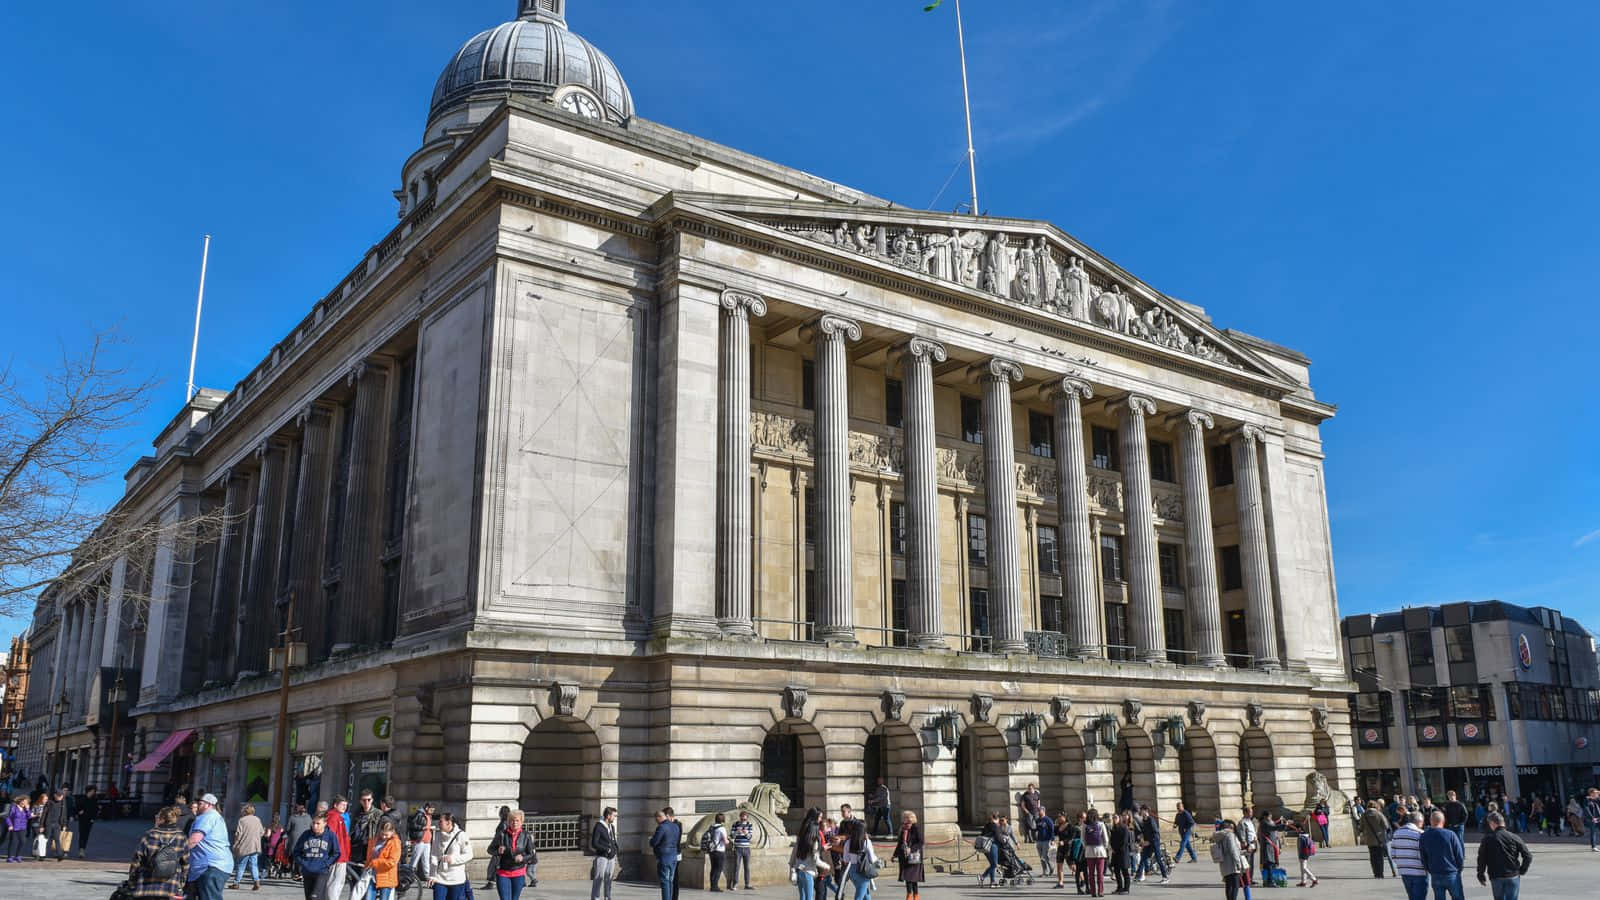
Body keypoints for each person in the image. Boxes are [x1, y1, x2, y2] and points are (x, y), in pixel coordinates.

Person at [128, 805, 190, 900]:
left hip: (147, 885)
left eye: (157, 816)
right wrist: (181, 884)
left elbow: (137, 860)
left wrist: (132, 882)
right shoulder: (181, 836)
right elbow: (185, 864)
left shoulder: (150, 834)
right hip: (170, 886)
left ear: (162, 819)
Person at [185, 793, 236, 900]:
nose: (197, 805)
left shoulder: (207, 817)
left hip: (210, 866)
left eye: (200, 803)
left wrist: (177, 852)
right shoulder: (213, 817)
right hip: (212, 866)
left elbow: (194, 840)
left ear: (209, 805)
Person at [1474, 812, 1530, 900]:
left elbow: (1482, 858)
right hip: (1512, 874)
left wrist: (1481, 874)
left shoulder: (1487, 839)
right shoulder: (1514, 837)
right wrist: (1522, 870)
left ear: (1492, 823)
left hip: (1496, 875)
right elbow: (1528, 855)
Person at [291, 812, 342, 900]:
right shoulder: (306, 835)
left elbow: (336, 852)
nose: (315, 826)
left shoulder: (330, 835)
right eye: (313, 823)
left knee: (315, 897)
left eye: (318, 823)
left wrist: (326, 864)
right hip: (307, 872)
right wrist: (303, 863)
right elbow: (296, 852)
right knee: (310, 898)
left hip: (321, 872)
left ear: (325, 824)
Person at [1418, 810, 1466, 900]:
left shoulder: (1424, 836)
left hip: (1435, 873)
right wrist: (1459, 869)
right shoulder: (1450, 834)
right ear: (1443, 821)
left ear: (1431, 821)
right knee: (1458, 897)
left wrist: (1429, 869)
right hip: (1451, 872)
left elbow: (1423, 857)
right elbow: (1459, 855)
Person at [489, 809, 535, 900]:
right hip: (503, 872)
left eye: (517, 820)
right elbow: (490, 849)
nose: (514, 823)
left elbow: (531, 854)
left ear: (521, 822)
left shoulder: (526, 836)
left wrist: (523, 857)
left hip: (518, 872)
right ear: (508, 822)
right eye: (512, 820)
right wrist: (498, 851)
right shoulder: (502, 834)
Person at [428, 811, 473, 900]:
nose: (438, 823)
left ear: (449, 823)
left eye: (441, 821)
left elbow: (469, 855)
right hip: (440, 878)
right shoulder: (437, 835)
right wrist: (432, 875)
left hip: (456, 879)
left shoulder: (461, 835)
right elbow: (434, 855)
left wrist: (452, 859)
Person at [837, 816, 878, 900]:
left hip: (852, 870)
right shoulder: (866, 842)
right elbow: (872, 858)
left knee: (865, 893)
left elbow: (845, 860)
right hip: (863, 870)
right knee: (859, 895)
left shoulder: (848, 842)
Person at [1390, 812, 1429, 900]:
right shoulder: (1420, 834)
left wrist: (1402, 863)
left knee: (1411, 897)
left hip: (1404, 871)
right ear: (1419, 821)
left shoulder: (1397, 833)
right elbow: (1424, 854)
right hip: (1419, 872)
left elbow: (1393, 853)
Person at [789, 808, 824, 900]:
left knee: (803, 896)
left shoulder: (803, 831)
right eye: (820, 817)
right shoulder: (813, 836)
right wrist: (827, 866)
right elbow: (815, 856)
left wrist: (792, 866)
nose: (820, 820)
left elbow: (795, 851)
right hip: (807, 870)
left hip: (799, 868)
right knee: (809, 897)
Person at [230, 802, 265, 890]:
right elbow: (262, 832)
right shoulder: (257, 819)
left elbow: (238, 834)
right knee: (254, 864)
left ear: (245, 811)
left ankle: (236, 883)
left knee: (241, 864)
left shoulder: (242, 820)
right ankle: (256, 881)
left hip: (245, 846)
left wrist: (235, 845)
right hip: (255, 846)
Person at [651, 808, 684, 900]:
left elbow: (654, 842)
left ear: (659, 817)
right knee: (670, 881)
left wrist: (651, 840)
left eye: (656, 819)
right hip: (674, 856)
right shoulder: (676, 826)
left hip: (665, 857)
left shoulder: (662, 827)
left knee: (665, 881)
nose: (656, 822)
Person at [365, 818, 402, 900]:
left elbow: (392, 862)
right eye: (382, 834)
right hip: (372, 875)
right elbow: (369, 855)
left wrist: (375, 862)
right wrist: (367, 865)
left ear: (392, 832)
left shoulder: (395, 842)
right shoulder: (375, 840)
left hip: (386, 876)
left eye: (386, 835)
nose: (384, 837)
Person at [326, 796, 353, 900]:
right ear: (335, 805)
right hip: (338, 856)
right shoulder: (334, 817)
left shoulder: (338, 817)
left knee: (335, 883)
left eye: (346, 805)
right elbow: (331, 836)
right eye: (342, 805)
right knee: (335, 884)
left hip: (340, 855)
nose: (345, 807)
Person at [892, 810, 924, 900]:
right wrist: (895, 855)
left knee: (912, 878)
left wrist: (912, 849)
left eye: (906, 818)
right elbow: (900, 843)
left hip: (914, 857)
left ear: (911, 819)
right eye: (904, 818)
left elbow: (921, 842)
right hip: (904, 857)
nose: (904, 820)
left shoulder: (916, 829)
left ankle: (915, 896)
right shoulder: (903, 829)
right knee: (907, 877)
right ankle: (910, 895)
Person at [1210, 820, 1245, 900]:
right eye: (1232, 826)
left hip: (1224, 864)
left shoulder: (1219, 835)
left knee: (1229, 885)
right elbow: (1233, 850)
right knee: (1235, 886)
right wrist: (1238, 863)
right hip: (1232, 864)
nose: (1233, 828)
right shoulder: (1230, 835)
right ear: (1229, 827)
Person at [590, 806, 619, 900]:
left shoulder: (611, 826)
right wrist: (607, 849)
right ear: (608, 815)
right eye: (614, 816)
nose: (615, 818)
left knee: (609, 879)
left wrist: (615, 849)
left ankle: (607, 897)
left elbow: (613, 840)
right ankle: (595, 898)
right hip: (602, 857)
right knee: (599, 878)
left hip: (612, 857)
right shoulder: (599, 826)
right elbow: (594, 843)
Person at [1135, 806, 1169, 884]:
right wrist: (1142, 839)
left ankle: (1165, 877)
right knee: (1143, 858)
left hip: (1154, 843)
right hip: (1148, 843)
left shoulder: (1151, 820)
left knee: (1158, 860)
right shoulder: (1144, 820)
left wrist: (1149, 841)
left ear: (1146, 811)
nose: (1140, 812)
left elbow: (1156, 833)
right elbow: (1144, 831)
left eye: (1142, 810)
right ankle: (1138, 876)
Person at [1359, 801, 1390, 879]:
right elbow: (1386, 826)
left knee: (1373, 857)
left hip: (1369, 839)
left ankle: (1376, 873)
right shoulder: (1379, 814)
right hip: (1379, 839)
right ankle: (1380, 873)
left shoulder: (1364, 815)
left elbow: (1361, 827)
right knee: (1380, 857)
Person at [409, 802, 437, 888]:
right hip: (420, 841)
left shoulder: (428, 815)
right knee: (414, 860)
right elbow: (412, 825)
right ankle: (408, 878)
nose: (432, 812)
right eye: (431, 810)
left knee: (426, 861)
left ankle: (429, 880)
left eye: (433, 810)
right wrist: (423, 828)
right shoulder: (419, 814)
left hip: (427, 841)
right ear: (427, 808)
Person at [1080, 809, 1107, 898]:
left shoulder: (1084, 825)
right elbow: (1106, 839)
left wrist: (1086, 847)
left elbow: (1082, 839)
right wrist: (1104, 847)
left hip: (1089, 852)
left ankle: (1093, 892)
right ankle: (1100, 891)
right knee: (1100, 873)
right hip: (1100, 851)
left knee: (1091, 873)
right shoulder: (1101, 824)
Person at [727, 810, 753, 890]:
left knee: (747, 867)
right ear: (740, 818)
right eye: (742, 819)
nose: (743, 821)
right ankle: (735, 884)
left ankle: (747, 884)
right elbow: (731, 836)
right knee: (737, 867)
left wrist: (746, 833)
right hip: (738, 848)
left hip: (746, 848)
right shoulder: (735, 824)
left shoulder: (749, 825)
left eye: (744, 819)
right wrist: (736, 832)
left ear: (747, 818)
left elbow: (750, 837)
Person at [1108, 812, 1133, 896]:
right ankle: (1119, 887)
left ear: (1119, 818)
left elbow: (1125, 841)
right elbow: (1111, 840)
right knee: (1116, 871)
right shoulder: (1113, 828)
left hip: (1122, 853)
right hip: (1116, 853)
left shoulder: (1124, 828)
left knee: (1125, 871)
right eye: (1113, 818)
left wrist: (1118, 849)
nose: (1114, 819)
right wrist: (1113, 848)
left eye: (1115, 817)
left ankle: (1126, 888)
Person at [42, 786, 70, 860]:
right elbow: (44, 814)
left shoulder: (63, 803)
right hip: (49, 823)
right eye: (59, 796)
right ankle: (43, 854)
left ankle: (59, 855)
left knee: (57, 839)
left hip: (57, 824)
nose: (60, 797)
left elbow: (64, 814)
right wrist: (41, 825)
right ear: (55, 795)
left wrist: (64, 824)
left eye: (61, 796)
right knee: (47, 839)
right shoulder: (49, 802)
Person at [704, 812, 730, 892]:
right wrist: (729, 841)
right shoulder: (722, 828)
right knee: (718, 869)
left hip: (712, 850)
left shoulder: (712, 827)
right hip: (719, 851)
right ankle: (715, 887)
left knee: (713, 868)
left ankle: (712, 885)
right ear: (723, 819)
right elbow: (725, 841)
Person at [287, 804, 313, 879]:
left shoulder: (292, 818)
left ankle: (297, 873)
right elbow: (312, 827)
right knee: (304, 856)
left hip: (295, 841)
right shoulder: (309, 817)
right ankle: (301, 872)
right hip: (306, 840)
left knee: (296, 856)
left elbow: (288, 829)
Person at [74, 785, 99, 858]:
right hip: (82, 820)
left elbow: (96, 810)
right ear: (89, 791)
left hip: (90, 820)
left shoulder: (94, 799)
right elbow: (77, 807)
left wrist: (93, 818)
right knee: (82, 834)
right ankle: (81, 850)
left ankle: (83, 849)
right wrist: (79, 812)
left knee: (86, 835)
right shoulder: (82, 799)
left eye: (94, 791)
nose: (93, 792)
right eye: (93, 791)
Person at [3, 794, 28, 862]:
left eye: (26, 802)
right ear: (20, 801)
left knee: (22, 841)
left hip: (22, 828)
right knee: (13, 842)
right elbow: (7, 817)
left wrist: (27, 809)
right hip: (14, 828)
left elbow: (29, 816)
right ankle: (9, 857)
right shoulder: (13, 808)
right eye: (24, 802)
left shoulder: (25, 809)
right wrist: (10, 825)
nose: (25, 803)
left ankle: (17, 856)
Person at [1291, 821, 1317, 888]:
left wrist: (1301, 855)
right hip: (1305, 854)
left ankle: (1314, 879)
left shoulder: (1302, 837)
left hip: (1303, 854)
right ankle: (1303, 882)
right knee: (1302, 868)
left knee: (1304, 868)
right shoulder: (1305, 835)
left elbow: (1303, 847)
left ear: (1299, 828)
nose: (1296, 830)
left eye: (1297, 829)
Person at [978, 811, 1000, 887]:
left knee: (992, 864)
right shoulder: (994, 826)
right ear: (995, 819)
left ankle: (992, 881)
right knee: (994, 864)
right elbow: (998, 837)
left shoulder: (986, 826)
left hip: (985, 847)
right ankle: (982, 876)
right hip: (992, 846)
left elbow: (982, 834)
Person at [1032, 807, 1055, 876]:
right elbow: (1036, 829)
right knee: (1041, 857)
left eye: (1040, 811)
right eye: (1038, 811)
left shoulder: (1048, 819)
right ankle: (1046, 870)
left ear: (1043, 811)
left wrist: (1052, 839)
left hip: (1046, 840)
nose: (1038, 812)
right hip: (1039, 840)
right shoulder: (1037, 820)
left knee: (1044, 856)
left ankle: (1049, 869)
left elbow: (1052, 829)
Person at [1584, 788, 1600, 852]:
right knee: (1593, 832)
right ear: (1591, 793)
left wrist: (1598, 793)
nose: (1596, 794)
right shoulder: (1587, 800)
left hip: (1598, 818)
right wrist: (1592, 818)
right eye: (1595, 792)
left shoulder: (1597, 799)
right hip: (1592, 819)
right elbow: (1586, 809)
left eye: (1596, 793)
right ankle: (1593, 847)